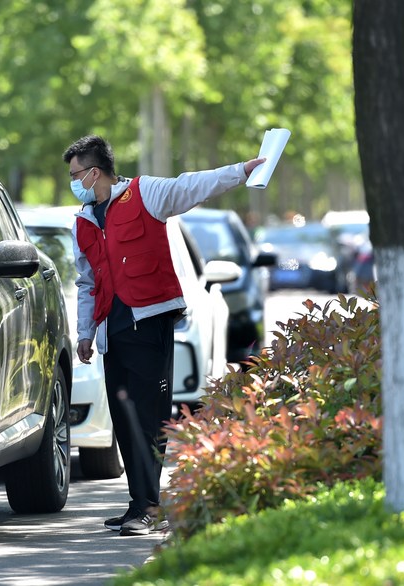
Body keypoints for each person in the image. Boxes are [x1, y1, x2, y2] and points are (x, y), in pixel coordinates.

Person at [63, 135, 264, 536]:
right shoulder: (83, 221)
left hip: (148, 325)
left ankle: (150, 507)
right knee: (124, 418)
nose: (71, 182)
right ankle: (138, 502)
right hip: (111, 331)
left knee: (149, 416)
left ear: (95, 172)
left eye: (74, 174)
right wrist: (85, 333)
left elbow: (191, 185)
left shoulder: (145, 194)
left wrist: (241, 172)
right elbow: (87, 283)